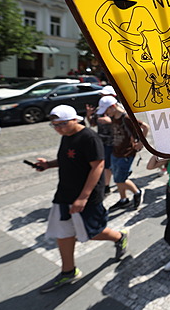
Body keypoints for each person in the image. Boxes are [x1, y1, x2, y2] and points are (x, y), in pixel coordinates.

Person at [35, 105, 128, 293]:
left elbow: (98, 167)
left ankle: (119, 237)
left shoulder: (89, 138)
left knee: (92, 231)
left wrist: (83, 198)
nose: (58, 128)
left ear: (75, 119)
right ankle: (68, 271)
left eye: (62, 124)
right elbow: (67, 159)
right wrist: (48, 165)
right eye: (54, 125)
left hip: (87, 196)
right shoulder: (66, 136)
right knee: (63, 232)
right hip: (64, 193)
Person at [96, 95, 149, 211]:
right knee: (117, 178)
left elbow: (145, 126)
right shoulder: (115, 116)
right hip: (116, 151)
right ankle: (123, 199)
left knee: (121, 179)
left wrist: (142, 142)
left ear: (113, 106)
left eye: (106, 111)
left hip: (126, 153)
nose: (106, 114)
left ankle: (137, 192)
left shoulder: (126, 118)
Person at [85, 85, 117, 196]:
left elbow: (124, 125)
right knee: (102, 164)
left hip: (112, 142)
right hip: (100, 141)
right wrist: (89, 115)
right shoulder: (100, 109)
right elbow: (93, 123)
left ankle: (106, 186)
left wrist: (110, 122)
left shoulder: (118, 109)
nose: (102, 97)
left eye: (104, 95)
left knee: (107, 165)